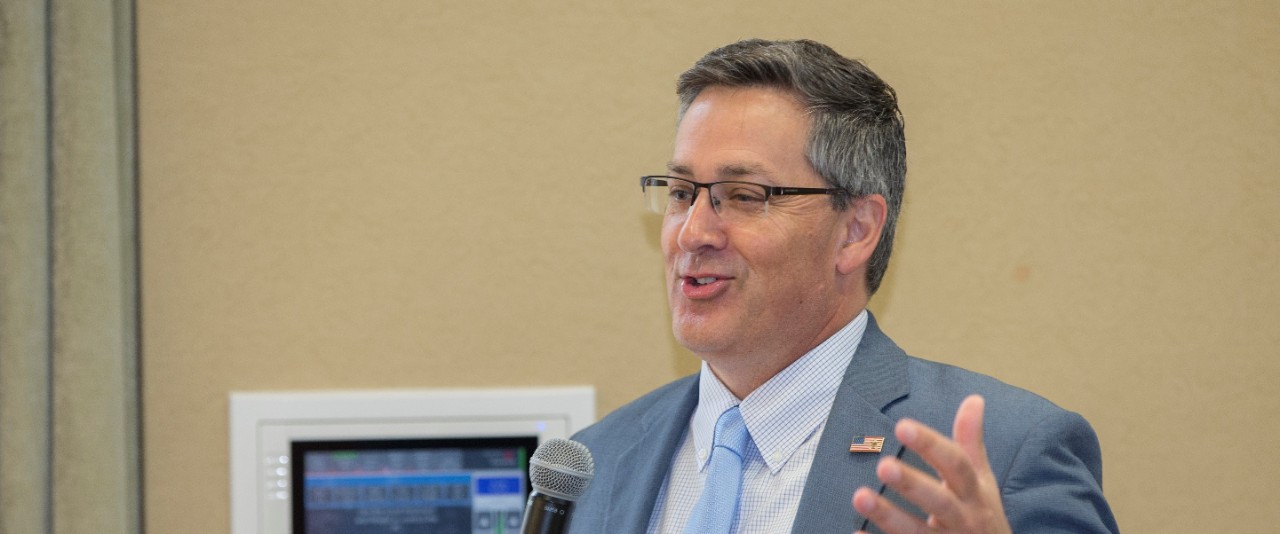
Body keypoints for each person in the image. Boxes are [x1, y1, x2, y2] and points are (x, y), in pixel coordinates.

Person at [568, 39, 1119, 534]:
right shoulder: (595, 464)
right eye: (681, 192)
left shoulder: (1006, 456)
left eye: (744, 196)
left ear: (855, 232)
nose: (692, 233)